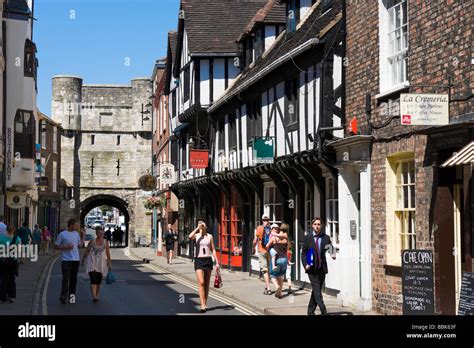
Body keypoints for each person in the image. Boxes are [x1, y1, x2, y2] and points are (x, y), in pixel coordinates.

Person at [301, 217, 336, 315]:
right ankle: (323, 310)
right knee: (317, 291)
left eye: (319, 224)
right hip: (311, 268)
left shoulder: (326, 237)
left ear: (321, 226)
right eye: (315, 224)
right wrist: (305, 264)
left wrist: (333, 254)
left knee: (316, 290)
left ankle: (310, 311)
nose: (317, 226)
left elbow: (330, 248)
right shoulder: (307, 238)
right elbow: (304, 253)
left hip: (321, 268)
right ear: (312, 226)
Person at [189, 221, 219, 313]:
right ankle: (202, 305)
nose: (201, 225)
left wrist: (217, 262)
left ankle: (205, 303)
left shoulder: (210, 236)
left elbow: (213, 249)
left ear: (206, 226)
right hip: (199, 260)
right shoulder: (197, 236)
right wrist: (198, 228)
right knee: (201, 282)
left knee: (206, 284)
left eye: (203, 224)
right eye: (200, 224)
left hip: (208, 260)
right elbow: (190, 237)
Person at [54, 218, 85, 304]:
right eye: (76, 225)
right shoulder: (62, 234)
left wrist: (83, 235)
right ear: (71, 225)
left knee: (73, 279)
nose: (77, 227)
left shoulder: (76, 234)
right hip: (66, 260)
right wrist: (65, 247)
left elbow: (80, 245)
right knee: (65, 279)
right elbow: (56, 246)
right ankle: (63, 297)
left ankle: (71, 297)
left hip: (76, 260)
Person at [81, 227, 112, 303]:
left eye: (102, 233)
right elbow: (87, 251)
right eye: (100, 233)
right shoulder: (92, 241)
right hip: (92, 263)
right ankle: (94, 296)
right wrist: (83, 260)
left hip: (101, 264)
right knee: (93, 280)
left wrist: (109, 263)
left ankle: (97, 295)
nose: (101, 235)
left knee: (98, 281)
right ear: (96, 233)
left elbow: (108, 254)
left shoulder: (105, 242)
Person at [266, 223, 289, 299]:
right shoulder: (286, 238)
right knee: (280, 276)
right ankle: (280, 294)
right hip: (284, 259)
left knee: (273, 276)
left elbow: (267, 246)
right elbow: (287, 248)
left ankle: (277, 287)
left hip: (277, 259)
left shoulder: (274, 238)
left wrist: (270, 251)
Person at [0, 225, 20, 303]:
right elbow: (19, 251)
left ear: (6, 230)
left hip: (3, 260)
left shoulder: (1, 238)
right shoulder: (17, 239)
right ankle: (12, 296)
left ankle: (3, 296)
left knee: (3, 278)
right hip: (13, 261)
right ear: (14, 230)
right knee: (12, 279)